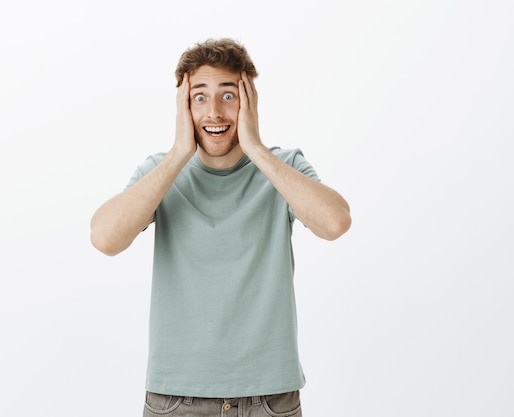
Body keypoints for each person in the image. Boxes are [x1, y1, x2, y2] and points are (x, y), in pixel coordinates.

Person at [90, 38, 351, 417]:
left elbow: (335, 222)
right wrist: (180, 152)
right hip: (176, 399)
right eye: (199, 97)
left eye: (228, 96)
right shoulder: (161, 173)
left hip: (269, 398)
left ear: (249, 101)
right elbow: (104, 238)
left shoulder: (283, 166)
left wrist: (256, 148)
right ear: (183, 106)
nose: (214, 112)